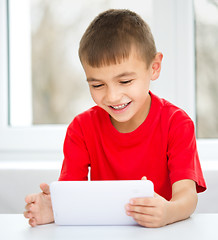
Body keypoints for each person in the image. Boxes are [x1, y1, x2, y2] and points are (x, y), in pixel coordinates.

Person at [24, 9, 206, 228]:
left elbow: (187, 197)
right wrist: (55, 207)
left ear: (154, 67)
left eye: (125, 81)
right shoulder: (81, 128)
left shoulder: (177, 123)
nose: (112, 96)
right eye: (97, 85)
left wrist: (169, 211)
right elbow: (72, 195)